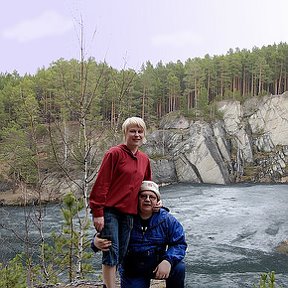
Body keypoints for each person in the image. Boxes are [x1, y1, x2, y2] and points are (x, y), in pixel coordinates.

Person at [89, 117, 152, 288]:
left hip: (130, 213)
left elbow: (147, 186)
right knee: (111, 251)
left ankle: (108, 284)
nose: (137, 135)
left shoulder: (144, 159)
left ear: (144, 134)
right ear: (125, 133)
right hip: (110, 210)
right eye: (133, 131)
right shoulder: (114, 154)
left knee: (121, 253)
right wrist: (98, 213)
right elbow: (102, 184)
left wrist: (155, 203)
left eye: (140, 132)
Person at [92, 180, 187, 288]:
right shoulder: (125, 218)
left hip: (156, 263)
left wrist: (168, 260)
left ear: (157, 201)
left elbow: (179, 243)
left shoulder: (167, 220)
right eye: (143, 196)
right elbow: (108, 234)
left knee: (179, 267)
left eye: (152, 197)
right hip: (133, 270)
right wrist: (95, 242)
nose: (147, 199)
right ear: (136, 199)